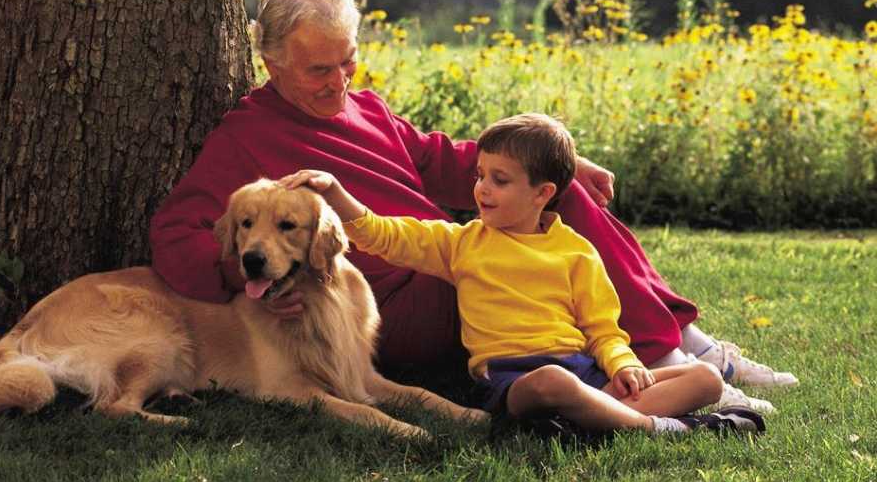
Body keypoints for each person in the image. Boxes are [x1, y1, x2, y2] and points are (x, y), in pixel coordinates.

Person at [148, 0, 796, 414]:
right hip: (395, 303)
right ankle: (668, 365)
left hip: (452, 256)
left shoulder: (365, 107)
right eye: (320, 69)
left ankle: (687, 348)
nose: (339, 81)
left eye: (349, 61)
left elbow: (441, 159)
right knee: (516, 246)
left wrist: (566, 165)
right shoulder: (245, 138)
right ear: (273, 61)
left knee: (549, 190)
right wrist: (248, 282)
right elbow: (175, 236)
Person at [277, 114, 764, 435]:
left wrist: (622, 366)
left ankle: (592, 422)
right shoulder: (462, 243)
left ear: (541, 194)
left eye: (499, 180)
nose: (481, 190)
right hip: (513, 381)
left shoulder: (576, 252)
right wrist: (337, 195)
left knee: (704, 378)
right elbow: (383, 235)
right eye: (480, 176)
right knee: (552, 382)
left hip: (585, 373)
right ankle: (661, 427)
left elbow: (603, 329)